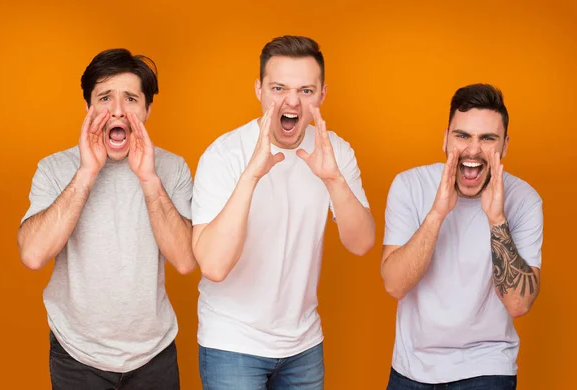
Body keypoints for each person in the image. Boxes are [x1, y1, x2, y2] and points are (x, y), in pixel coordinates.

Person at [191, 35, 375, 389]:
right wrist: (252, 175)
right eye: (279, 88)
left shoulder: (334, 151)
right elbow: (213, 266)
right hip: (232, 343)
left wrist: (333, 178)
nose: (291, 101)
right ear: (259, 90)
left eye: (306, 90)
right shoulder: (224, 155)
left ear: (322, 95)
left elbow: (362, 242)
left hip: (303, 345)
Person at [17, 48, 195, 389]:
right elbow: (33, 255)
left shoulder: (172, 169)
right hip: (77, 356)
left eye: (130, 98)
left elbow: (186, 260)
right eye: (104, 98)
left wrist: (148, 179)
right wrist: (87, 172)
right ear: (88, 109)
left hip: (153, 356)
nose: (117, 110)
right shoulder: (55, 168)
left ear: (146, 109)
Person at [381, 83, 543, 389]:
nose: (472, 150)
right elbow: (394, 284)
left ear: (504, 145)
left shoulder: (525, 200)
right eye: (463, 136)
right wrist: (438, 213)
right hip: (412, 368)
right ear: (445, 138)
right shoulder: (409, 185)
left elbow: (519, 305)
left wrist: (496, 219)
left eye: (487, 139)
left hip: (488, 365)